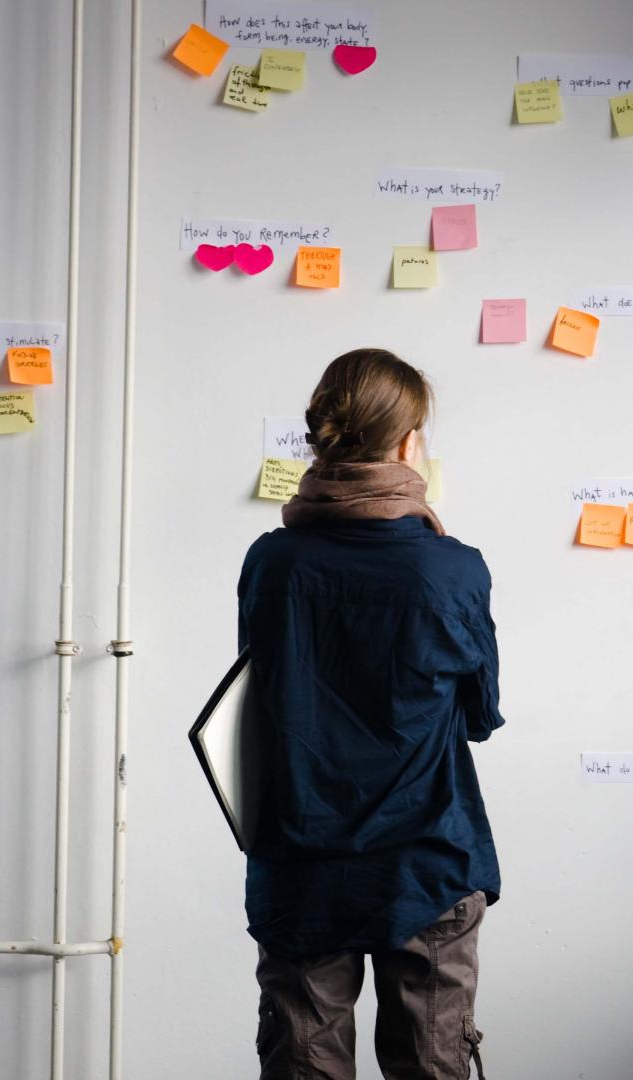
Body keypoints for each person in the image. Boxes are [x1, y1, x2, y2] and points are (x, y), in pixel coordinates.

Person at [236, 348, 505, 1080]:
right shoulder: (452, 569)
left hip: (301, 857)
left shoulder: (273, 563)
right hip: (426, 861)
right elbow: (479, 713)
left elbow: (260, 703)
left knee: (304, 1068)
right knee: (430, 1066)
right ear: (409, 443)